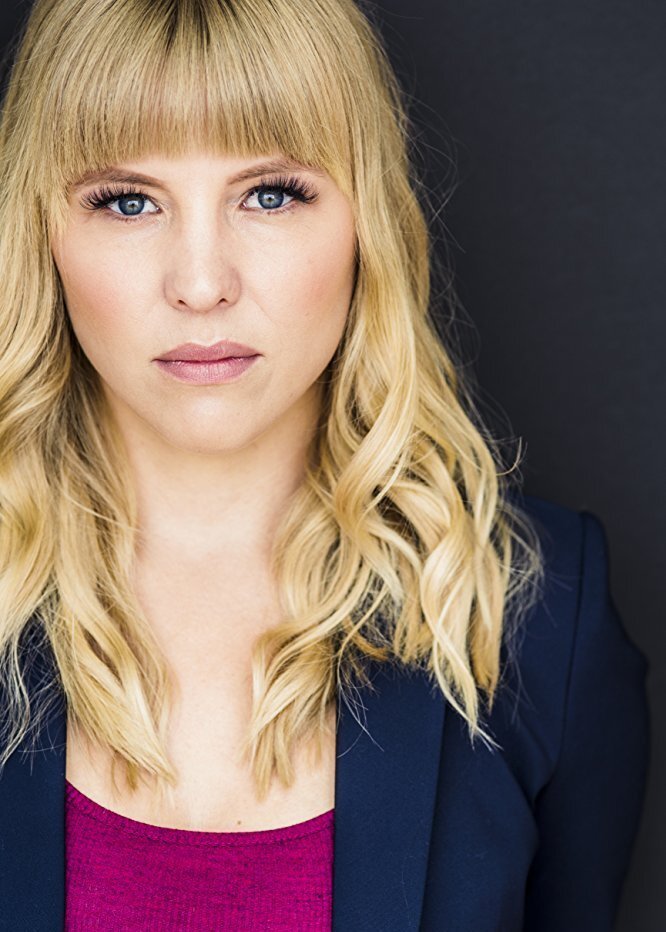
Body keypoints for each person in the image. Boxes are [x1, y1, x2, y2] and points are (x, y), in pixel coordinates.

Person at [0, 0, 650, 929]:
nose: (201, 283)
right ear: (41, 233)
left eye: (270, 194)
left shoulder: (539, 619)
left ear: (364, 219)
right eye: (128, 201)